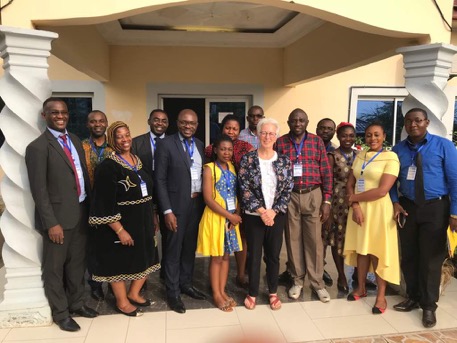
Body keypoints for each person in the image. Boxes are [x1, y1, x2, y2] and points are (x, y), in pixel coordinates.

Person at [25, 97, 98, 332]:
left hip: (80, 213)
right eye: (54, 112)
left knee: (77, 265)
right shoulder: (37, 147)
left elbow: (82, 177)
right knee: (54, 269)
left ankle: (77, 303)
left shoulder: (75, 140)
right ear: (44, 115)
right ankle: (61, 313)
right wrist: (51, 223)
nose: (60, 116)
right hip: (58, 220)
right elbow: (39, 190)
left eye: (64, 112)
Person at [390, 108, 457, 328]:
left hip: (436, 207)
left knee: (431, 259)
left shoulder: (444, 146)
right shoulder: (398, 149)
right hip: (408, 207)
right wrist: (395, 202)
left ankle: (429, 306)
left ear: (426, 122)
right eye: (408, 121)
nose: (413, 124)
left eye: (418, 120)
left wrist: (454, 212)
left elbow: (455, 180)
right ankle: (413, 296)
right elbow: (390, 181)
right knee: (409, 255)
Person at [89, 121, 159, 317]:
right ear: (112, 139)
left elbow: (149, 191)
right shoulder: (108, 167)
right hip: (121, 223)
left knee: (146, 258)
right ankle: (121, 301)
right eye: (119, 136)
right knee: (117, 263)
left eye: (127, 134)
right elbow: (103, 203)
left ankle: (134, 293)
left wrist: (153, 215)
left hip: (143, 221)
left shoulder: (138, 161)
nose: (125, 139)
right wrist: (120, 230)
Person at [276, 108, 332, 303]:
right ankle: (297, 280)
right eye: (294, 120)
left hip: (313, 194)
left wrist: (326, 201)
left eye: (301, 120)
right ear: (289, 122)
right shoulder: (281, 142)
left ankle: (317, 284)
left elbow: (326, 172)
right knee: (292, 240)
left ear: (307, 122)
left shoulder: (316, 142)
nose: (297, 123)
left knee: (314, 241)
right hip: (290, 195)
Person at [344, 122, 400, 315]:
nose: (372, 138)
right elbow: (350, 183)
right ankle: (361, 287)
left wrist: (353, 199)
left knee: (377, 251)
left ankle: (381, 296)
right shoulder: (360, 155)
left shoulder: (391, 157)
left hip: (379, 211)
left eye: (377, 135)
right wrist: (356, 205)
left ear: (384, 136)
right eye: (368, 135)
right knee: (362, 249)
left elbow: (382, 190)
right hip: (359, 209)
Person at [155, 109, 206, 314]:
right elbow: (159, 180)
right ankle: (173, 292)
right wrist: (166, 210)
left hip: (196, 205)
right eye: (184, 122)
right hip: (175, 207)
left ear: (197, 125)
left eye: (192, 123)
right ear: (177, 123)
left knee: (189, 248)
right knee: (173, 250)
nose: (188, 126)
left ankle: (186, 284)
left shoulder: (200, 145)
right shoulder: (165, 144)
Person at [238, 118, 293, 311]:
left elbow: (287, 189)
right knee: (254, 255)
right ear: (258, 135)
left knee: (273, 255)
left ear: (276, 136)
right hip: (254, 216)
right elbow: (244, 188)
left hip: (276, 216)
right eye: (264, 132)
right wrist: (262, 211)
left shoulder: (284, 161)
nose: (267, 136)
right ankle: (252, 292)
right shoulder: (248, 158)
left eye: (271, 133)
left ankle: (272, 292)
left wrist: (273, 211)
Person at [204, 114, 254, 287]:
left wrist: (237, 213)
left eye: (235, 128)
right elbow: (208, 195)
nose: (231, 131)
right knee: (218, 253)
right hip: (218, 210)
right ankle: (217, 290)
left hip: (237, 206)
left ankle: (235, 278)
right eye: (228, 127)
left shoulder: (244, 151)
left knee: (233, 247)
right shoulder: (210, 160)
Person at [197, 135, 243, 312]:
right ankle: (216, 293)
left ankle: (223, 291)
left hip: (230, 220)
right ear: (215, 150)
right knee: (216, 257)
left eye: (230, 149)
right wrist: (229, 216)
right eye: (223, 149)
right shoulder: (209, 169)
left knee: (226, 256)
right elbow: (208, 199)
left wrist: (236, 214)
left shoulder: (232, 167)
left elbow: (236, 194)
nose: (226, 152)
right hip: (216, 218)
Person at [132, 109, 169, 279]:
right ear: (149, 121)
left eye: (163, 120)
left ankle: (167, 271)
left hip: (167, 195)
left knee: (169, 235)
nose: (160, 123)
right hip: (143, 196)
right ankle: (142, 275)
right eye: (156, 120)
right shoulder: (136, 143)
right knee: (145, 234)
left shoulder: (172, 142)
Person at [81, 110, 113, 301]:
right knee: (92, 247)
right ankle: (95, 284)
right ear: (88, 125)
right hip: (87, 204)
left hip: (110, 205)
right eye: (93, 121)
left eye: (101, 121)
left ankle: (114, 283)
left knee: (111, 245)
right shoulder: (81, 147)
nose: (97, 124)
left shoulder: (114, 149)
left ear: (106, 123)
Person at [322, 122, 357, 293]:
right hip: (337, 204)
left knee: (356, 239)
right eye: (344, 135)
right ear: (338, 136)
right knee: (337, 241)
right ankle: (342, 275)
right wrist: (327, 209)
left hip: (356, 202)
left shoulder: (360, 155)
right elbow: (327, 182)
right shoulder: (332, 155)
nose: (348, 139)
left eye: (351, 135)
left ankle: (358, 274)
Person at [316, 117, 337, 287]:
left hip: (329, 200)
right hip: (310, 197)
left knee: (324, 237)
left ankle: (320, 269)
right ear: (316, 129)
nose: (325, 131)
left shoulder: (335, 152)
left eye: (329, 129)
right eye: (322, 128)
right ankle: (292, 269)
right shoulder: (311, 147)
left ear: (334, 132)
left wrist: (327, 202)